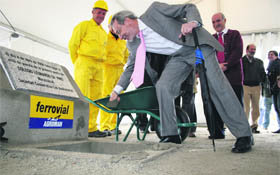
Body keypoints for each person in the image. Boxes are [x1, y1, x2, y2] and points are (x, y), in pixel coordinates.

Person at [109, 2, 253, 153]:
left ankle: (244, 135)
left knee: (218, 87)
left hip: (196, 46)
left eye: (119, 31)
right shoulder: (133, 44)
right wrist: (117, 90)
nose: (121, 37)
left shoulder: (155, 11)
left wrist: (192, 22)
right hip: (179, 57)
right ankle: (171, 134)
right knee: (163, 86)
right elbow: (131, 67)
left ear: (127, 21)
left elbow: (188, 7)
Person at [68, 0, 108, 138]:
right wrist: (78, 63)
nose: (101, 15)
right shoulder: (83, 26)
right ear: (92, 12)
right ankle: (78, 128)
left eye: (103, 13)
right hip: (84, 63)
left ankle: (91, 128)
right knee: (83, 97)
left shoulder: (104, 33)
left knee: (96, 98)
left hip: (99, 66)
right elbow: (73, 45)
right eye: (99, 12)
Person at [210, 12, 244, 139]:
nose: (216, 24)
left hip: (233, 76)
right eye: (213, 22)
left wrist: (226, 65)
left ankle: (242, 134)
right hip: (217, 78)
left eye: (218, 20)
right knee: (217, 105)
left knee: (236, 106)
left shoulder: (234, 34)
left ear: (225, 20)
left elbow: (238, 52)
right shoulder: (211, 38)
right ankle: (218, 132)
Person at [99, 16, 129, 136]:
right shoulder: (105, 38)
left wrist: (123, 63)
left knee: (117, 98)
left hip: (119, 69)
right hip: (107, 69)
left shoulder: (123, 40)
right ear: (109, 26)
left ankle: (113, 125)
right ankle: (105, 125)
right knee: (107, 96)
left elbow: (127, 55)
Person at [242, 44, 265, 133]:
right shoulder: (241, 61)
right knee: (246, 107)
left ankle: (254, 126)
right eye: (251, 49)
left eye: (254, 49)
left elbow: (262, 73)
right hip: (245, 86)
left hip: (256, 86)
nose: (253, 51)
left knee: (256, 107)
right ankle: (245, 126)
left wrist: (261, 82)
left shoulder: (259, 62)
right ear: (247, 50)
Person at [267, 50, 280, 133]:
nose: (270, 56)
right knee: (276, 108)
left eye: (271, 54)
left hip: (278, 88)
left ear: (276, 56)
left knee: (279, 107)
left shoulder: (278, 63)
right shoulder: (271, 64)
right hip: (274, 89)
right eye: (269, 55)